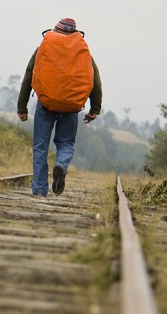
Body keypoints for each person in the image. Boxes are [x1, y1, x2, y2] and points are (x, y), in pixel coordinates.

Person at [17, 18, 103, 197]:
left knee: (40, 147)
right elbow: (95, 79)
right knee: (66, 143)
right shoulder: (82, 51)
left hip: (46, 104)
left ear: (55, 31)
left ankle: (40, 190)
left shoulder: (44, 47)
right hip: (71, 106)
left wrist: (22, 107)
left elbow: (29, 74)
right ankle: (61, 166)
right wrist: (95, 109)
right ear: (74, 34)